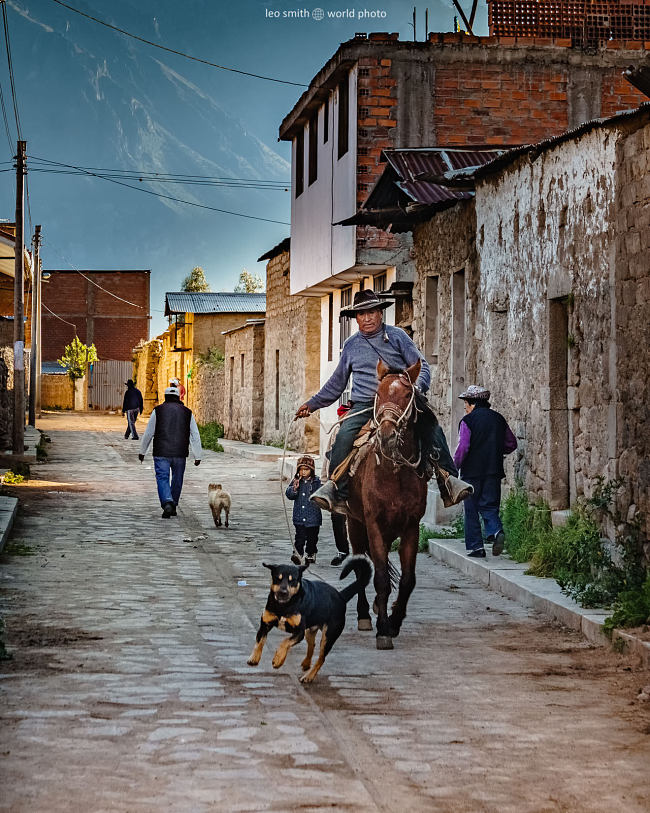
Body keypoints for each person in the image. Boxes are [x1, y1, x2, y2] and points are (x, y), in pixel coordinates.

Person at [295, 288, 456, 514]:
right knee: (342, 437)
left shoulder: (398, 336)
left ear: (380, 313)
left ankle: (449, 481)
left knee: (431, 426)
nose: (367, 317)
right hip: (365, 405)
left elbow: (422, 365)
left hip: (399, 402)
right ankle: (336, 491)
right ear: (356, 318)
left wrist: (417, 387)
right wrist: (311, 404)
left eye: (372, 312)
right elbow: (337, 383)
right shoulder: (351, 345)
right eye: (362, 314)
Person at [453, 385, 518, 558]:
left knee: (472, 509)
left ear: (472, 403)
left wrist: (454, 466)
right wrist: (495, 449)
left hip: (471, 473)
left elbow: (464, 447)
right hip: (493, 471)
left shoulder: (467, 421)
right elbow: (511, 443)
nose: (465, 407)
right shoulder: (499, 419)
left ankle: (477, 548)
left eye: (465, 403)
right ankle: (496, 531)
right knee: (490, 505)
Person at [138, 385, 202, 518]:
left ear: (165, 397)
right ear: (178, 397)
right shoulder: (187, 412)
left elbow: (149, 432)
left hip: (161, 452)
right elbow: (195, 434)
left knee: (162, 477)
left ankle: (167, 502)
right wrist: (198, 455)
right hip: (180, 452)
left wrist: (142, 451)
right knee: (177, 479)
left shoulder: (158, 411)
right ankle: (173, 504)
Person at [321, 403, 352, 566]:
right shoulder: (336, 431)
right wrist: (325, 480)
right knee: (337, 516)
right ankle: (342, 550)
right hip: (339, 479)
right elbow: (328, 457)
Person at [285, 455, 322, 565]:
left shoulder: (316, 482)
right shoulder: (296, 481)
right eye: (301, 470)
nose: (304, 472)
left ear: (312, 470)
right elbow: (289, 494)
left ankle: (311, 553)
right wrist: (294, 489)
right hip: (299, 516)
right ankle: (298, 553)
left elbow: (321, 493)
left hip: (313, 517)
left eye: (306, 469)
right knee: (299, 537)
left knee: (312, 538)